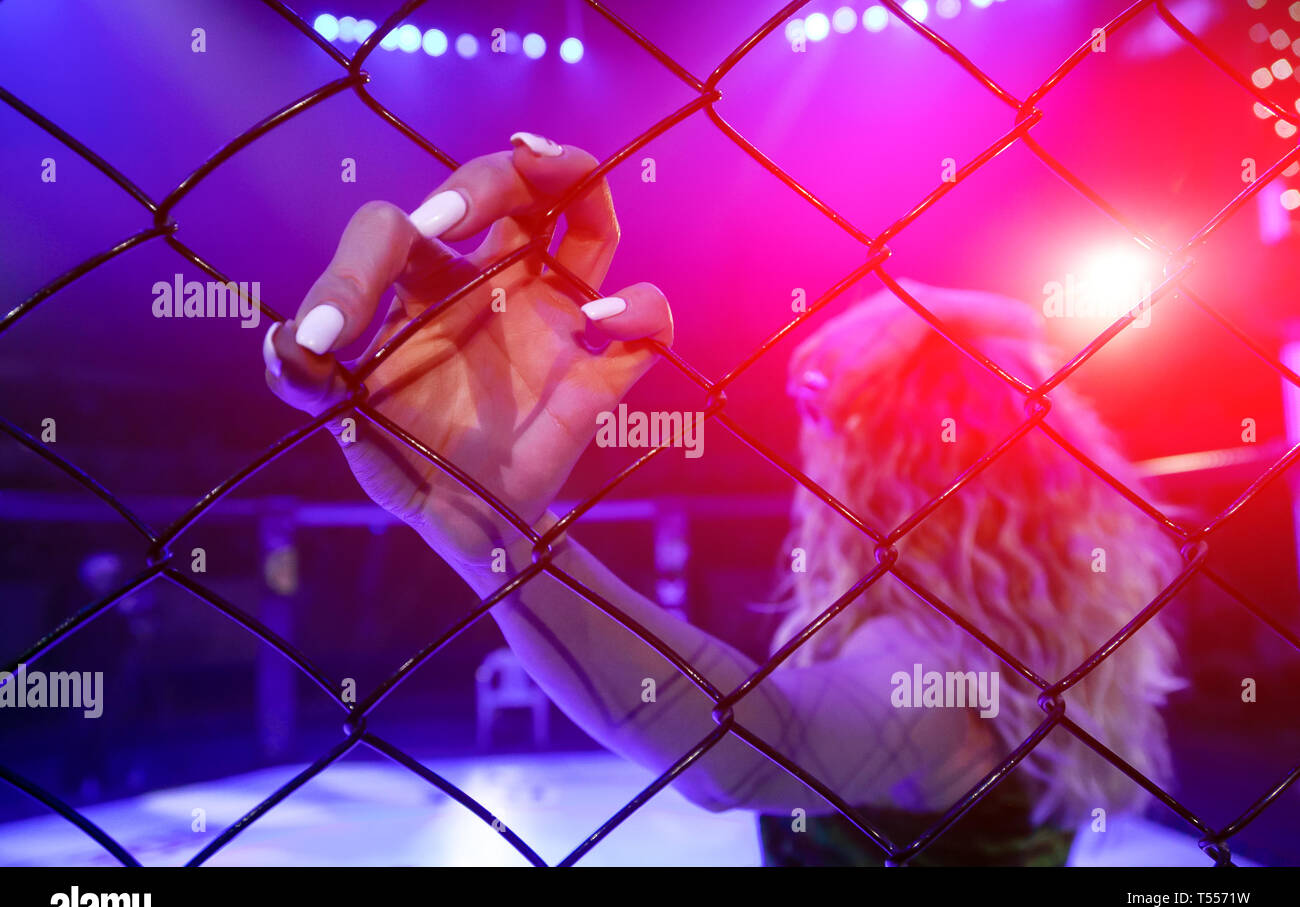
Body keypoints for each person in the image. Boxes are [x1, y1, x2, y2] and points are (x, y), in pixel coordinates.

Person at [260, 133, 1185, 865]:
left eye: (834, 438)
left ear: (874, 475)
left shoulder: (932, 673)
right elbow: (1015, 333)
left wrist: (496, 537)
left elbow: (747, 745)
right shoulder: (1047, 666)